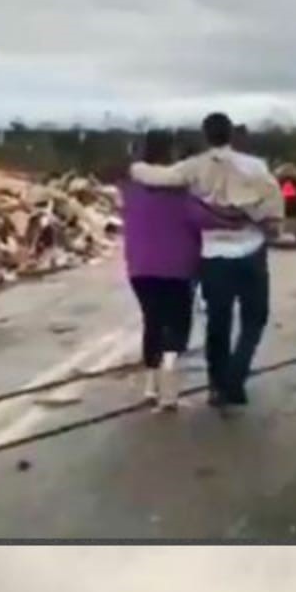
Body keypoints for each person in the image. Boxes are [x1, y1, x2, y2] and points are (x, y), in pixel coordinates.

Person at [131, 113, 284, 408]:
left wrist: (136, 167)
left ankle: (217, 386)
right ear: (232, 135)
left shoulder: (194, 167)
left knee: (218, 322)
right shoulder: (255, 167)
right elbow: (272, 204)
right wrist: (271, 226)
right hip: (251, 251)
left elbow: (159, 177)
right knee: (255, 318)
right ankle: (235, 376)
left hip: (214, 255)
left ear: (204, 135)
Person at [121, 130, 245, 411]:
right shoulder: (182, 192)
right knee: (176, 326)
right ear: (171, 154)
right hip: (177, 270)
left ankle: (150, 387)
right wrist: (242, 220)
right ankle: (169, 389)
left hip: (140, 268)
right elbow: (208, 218)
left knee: (151, 321)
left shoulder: (131, 189)